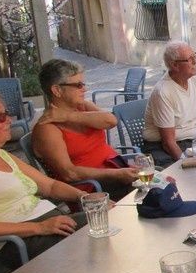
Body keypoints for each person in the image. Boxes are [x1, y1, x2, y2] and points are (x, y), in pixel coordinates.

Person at [0, 89, 87, 269]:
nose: (9, 120)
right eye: (1, 117)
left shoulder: (1, 155)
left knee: (113, 217)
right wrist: (40, 227)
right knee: (106, 230)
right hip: (20, 242)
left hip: (51, 226)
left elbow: (49, 186)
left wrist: (86, 198)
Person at [32, 59, 138, 201]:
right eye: (78, 85)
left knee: (163, 185)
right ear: (57, 90)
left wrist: (68, 116)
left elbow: (111, 120)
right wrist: (115, 174)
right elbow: (69, 173)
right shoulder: (47, 129)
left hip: (116, 171)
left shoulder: (81, 107)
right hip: (92, 189)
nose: (84, 89)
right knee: (157, 194)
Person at [143, 41, 196, 166]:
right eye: (190, 59)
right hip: (162, 147)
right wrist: (186, 162)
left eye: (195, 56)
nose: (195, 62)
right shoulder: (163, 91)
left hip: (191, 143)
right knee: (186, 176)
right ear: (174, 65)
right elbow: (168, 143)